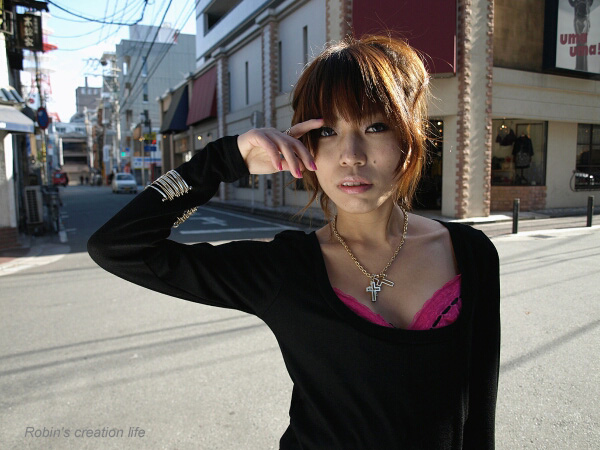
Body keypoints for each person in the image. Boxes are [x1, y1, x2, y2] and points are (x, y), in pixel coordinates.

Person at [88, 35, 500, 449]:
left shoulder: (469, 253)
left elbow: (479, 410)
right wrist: (224, 160)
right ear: (305, 147)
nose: (351, 155)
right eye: (328, 131)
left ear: (408, 137)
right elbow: (117, 246)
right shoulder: (284, 269)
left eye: (375, 126)